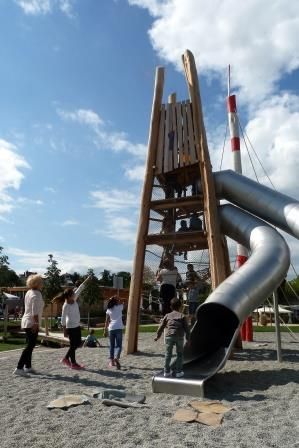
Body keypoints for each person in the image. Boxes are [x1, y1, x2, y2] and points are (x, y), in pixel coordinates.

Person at [53, 276, 90, 370]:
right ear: (69, 296)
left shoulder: (74, 298)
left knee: (77, 344)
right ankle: (70, 361)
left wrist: (87, 279)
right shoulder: (65, 306)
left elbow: (80, 288)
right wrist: (64, 330)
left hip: (77, 325)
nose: (75, 294)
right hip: (70, 327)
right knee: (74, 345)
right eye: (73, 294)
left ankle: (68, 360)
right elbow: (63, 318)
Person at [13, 274, 44, 376]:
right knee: (30, 346)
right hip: (31, 322)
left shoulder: (29, 292)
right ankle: (19, 367)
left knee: (30, 345)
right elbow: (34, 311)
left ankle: (28, 366)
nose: (42, 284)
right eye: (41, 282)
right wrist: (36, 323)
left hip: (26, 321)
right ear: (38, 283)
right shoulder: (36, 294)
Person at [154, 297, 190, 378]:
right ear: (180, 307)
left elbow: (161, 327)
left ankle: (166, 371)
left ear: (171, 307)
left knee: (168, 354)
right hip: (179, 337)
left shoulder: (167, 315)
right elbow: (187, 329)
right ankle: (178, 372)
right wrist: (188, 339)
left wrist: (157, 336)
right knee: (179, 354)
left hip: (169, 336)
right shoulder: (182, 316)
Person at [103, 296, 125, 369]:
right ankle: (116, 357)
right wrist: (117, 297)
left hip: (111, 328)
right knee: (119, 346)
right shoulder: (119, 307)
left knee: (112, 346)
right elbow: (123, 301)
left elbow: (106, 321)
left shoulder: (109, 309)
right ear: (116, 301)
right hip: (119, 328)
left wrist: (104, 330)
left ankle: (112, 362)